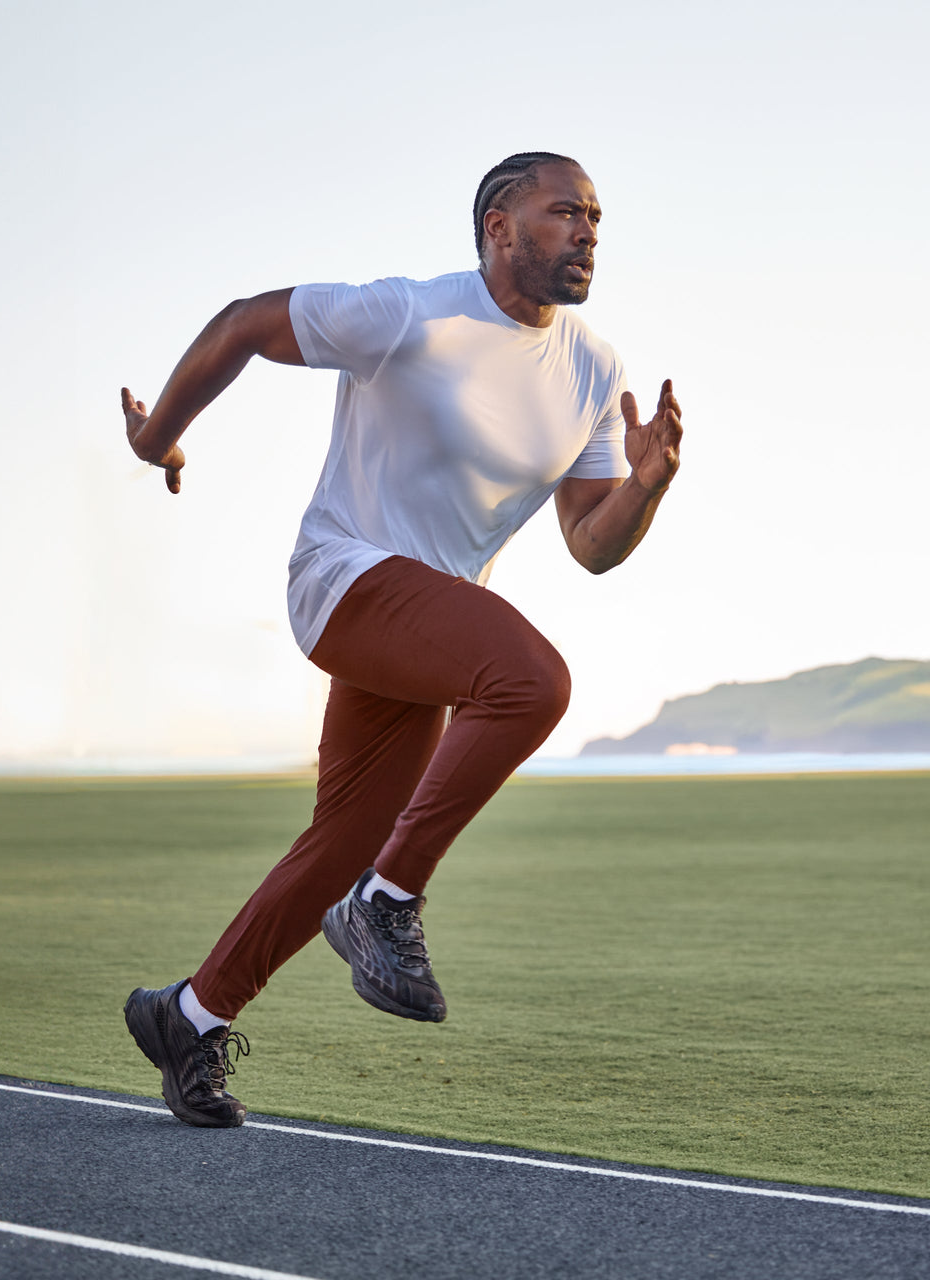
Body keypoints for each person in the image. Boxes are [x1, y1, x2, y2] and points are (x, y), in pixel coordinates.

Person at [121, 151, 682, 1128]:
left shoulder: (594, 367)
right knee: (530, 681)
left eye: (595, 215)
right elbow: (247, 322)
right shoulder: (411, 315)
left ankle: (189, 1013)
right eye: (564, 212)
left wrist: (642, 487)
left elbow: (591, 543)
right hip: (343, 576)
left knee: (341, 841)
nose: (589, 230)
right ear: (500, 227)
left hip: (427, 621)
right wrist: (156, 436)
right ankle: (387, 903)